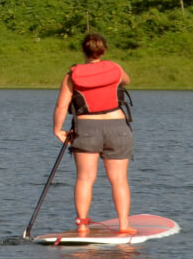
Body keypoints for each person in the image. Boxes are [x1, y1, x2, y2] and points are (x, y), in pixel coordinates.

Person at [52, 31, 134, 235]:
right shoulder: (115, 68)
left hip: (86, 128)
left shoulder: (72, 75)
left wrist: (57, 129)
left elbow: (62, 107)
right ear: (104, 50)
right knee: (119, 179)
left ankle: (82, 225)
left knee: (85, 178)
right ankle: (123, 225)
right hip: (117, 128)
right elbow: (127, 81)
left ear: (83, 50)